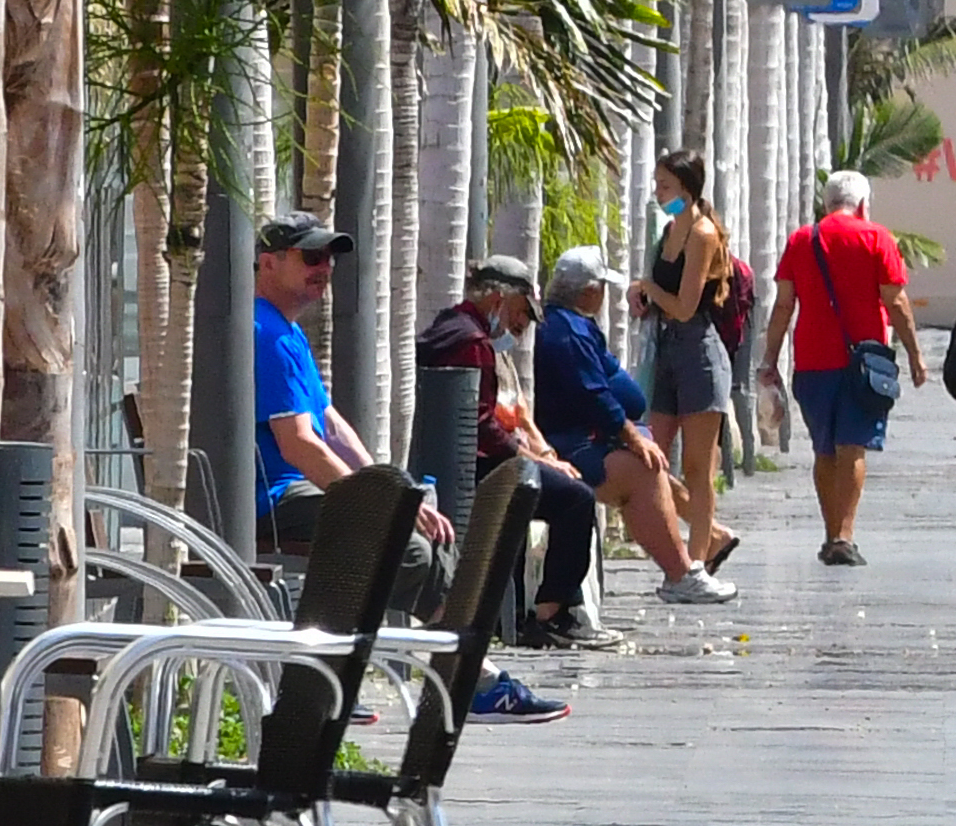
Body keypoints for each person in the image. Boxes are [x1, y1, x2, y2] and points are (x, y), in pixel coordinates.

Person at [247, 214, 459, 609]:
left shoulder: (288, 331)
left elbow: (329, 424)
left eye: (329, 258)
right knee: (408, 550)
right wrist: (378, 501)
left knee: (428, 528)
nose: (324, 268)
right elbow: (299, 445)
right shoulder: (267, 334)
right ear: (269, 261)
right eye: (311, 257)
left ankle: (461, 657)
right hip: (273, 502)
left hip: (300, 493)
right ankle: (335, 648)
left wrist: (394, 488)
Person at [414, 257, 607, 689]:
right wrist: (534, 460)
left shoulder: (452, 328)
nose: (521, 324)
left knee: (551, 489)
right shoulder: (471, 341)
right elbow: (482, 425)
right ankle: (548, 612)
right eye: (521, 312)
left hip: (468, 460)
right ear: (501, 298)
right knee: (577, 498)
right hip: (479, 465)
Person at [532, 248, 723, 607]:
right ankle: (680, 574)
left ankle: (704, 545)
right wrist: (631, 437)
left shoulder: (575, 323)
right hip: (571, 443)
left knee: (651, 463)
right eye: (602, 287)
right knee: (642, 469)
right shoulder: (566, 331)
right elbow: (594, 396)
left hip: (589, 435)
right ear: (590, 292)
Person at [757, 167, 925, 567]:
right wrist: (916, 357)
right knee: (853, 446)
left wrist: (769, 358)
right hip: (864, 363)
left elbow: (783, 305)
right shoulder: (876, 238)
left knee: (824, 448)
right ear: (863, 204)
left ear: (826, 203)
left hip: (812, 361)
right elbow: (896, 302)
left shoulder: (802, 241)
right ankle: (844, 536)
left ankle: (832, 533)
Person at [635, 149, 745, 571]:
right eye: (658, 186)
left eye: (666, 186)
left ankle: (697, 559)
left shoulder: (701, 233)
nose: (660, 194)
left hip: (698, 351)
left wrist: (650, 287)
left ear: (687, 188)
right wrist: (640, 291)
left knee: (699, 468)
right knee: (653, 459)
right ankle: (713, 536)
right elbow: (662, 296)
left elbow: (684, 305)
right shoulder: (668, 231)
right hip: (666, 351)